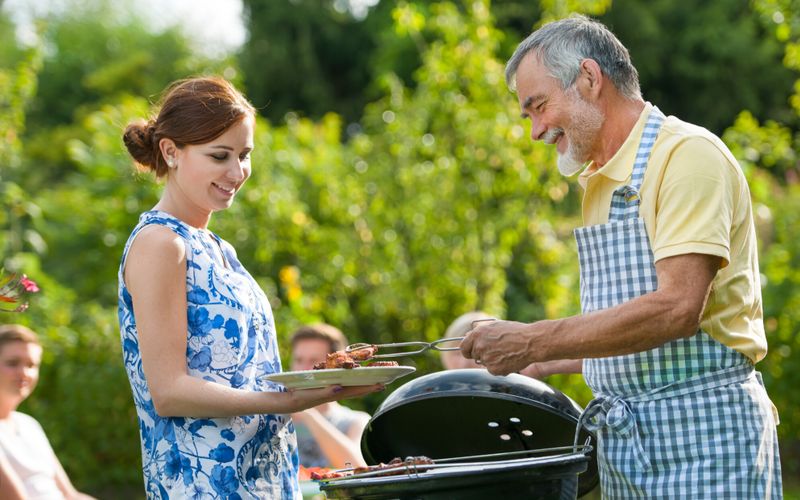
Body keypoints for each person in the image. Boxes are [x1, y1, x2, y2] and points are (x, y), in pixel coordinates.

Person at [460, 15, 782, 498]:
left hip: (706, 437)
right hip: (630, 449)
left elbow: (677, 310)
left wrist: (536, 342)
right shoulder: (599, 182)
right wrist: (548, 363)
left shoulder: (686, 156)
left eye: (539, 106)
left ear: (589, 79)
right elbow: (637, 341)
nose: (535, 130)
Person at [119, 76, 382, 499]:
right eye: (220, 155)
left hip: (264, 476)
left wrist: (318, 385)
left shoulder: (218, 247)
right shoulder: (160, 244)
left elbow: (246, 370)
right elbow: (168, 392)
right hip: (204, 484)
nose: (237, 171)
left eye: (244, 155)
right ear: (171, 152)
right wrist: (285, 402)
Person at [0, 324, 96, 500]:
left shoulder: (29, 424)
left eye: (31, 365)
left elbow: (70, 494)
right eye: (13, 363)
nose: (24, 373)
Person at [289, 324, 370, 469]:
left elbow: (356, 467)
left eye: (314, 361)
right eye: (299, 360)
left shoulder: (355, 421)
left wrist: (308, 413)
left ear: (337, 365)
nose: (303, 370)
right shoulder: (275, 419)